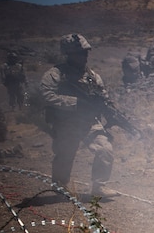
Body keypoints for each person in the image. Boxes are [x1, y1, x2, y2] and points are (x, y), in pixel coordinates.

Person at [39, 33, 123, 198]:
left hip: (89, 122)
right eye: (79, 53)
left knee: (105, 149)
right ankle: (61, 187)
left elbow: (103, 98)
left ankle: (99, 187)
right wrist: (74, 103)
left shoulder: (93, 77)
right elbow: (45, 95)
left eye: (85, 53)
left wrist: (111, 111)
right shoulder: (55, 74)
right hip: (65, 123)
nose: (84, 56)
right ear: (68, 54)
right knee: (65, 155)